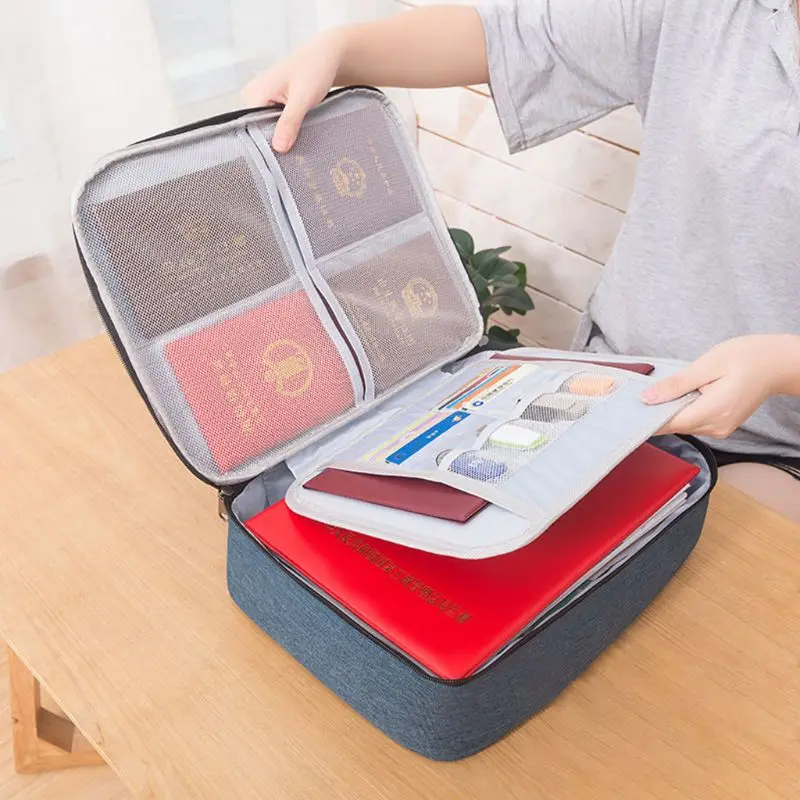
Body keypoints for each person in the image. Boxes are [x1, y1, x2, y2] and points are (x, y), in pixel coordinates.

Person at [242, 0, 800, 522]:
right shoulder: (707, 12)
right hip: (611, 390)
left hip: (768, 441)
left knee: (697, 557)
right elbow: (510, 35)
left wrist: (780, 363)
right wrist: (341, 50)